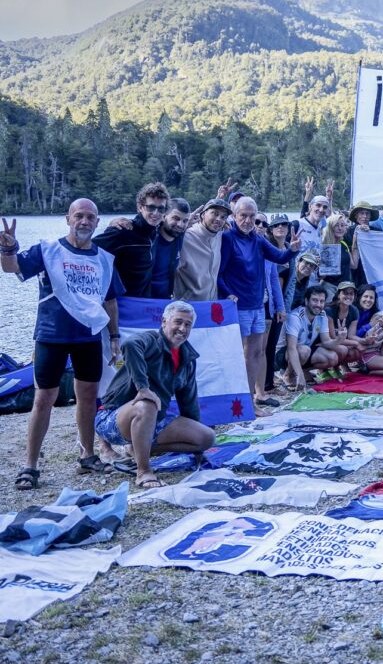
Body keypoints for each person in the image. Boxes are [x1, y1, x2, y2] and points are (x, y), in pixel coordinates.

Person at [1, 203, 124, 489]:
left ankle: (87, 455)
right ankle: (30, 466)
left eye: (90, 217)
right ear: (68, 219)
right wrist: (7, 249)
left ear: (97, 222)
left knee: (88, 397)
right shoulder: (49, 250)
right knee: (43, 398)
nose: (84, 221)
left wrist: (115, 336)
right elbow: (11, 267)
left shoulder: (104, 259)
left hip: (88, 337)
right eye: (78, 216)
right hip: (51, 336)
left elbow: (110, 300)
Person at [95, 302, 216, 489]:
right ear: (164, 321)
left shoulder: (188, 358)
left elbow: (189, 403)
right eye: (178, 322)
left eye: (188, 324)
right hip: (111, 417)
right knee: (147, 403)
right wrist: (143, 388)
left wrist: (198, 448)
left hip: (153, 419)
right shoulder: (151, 339)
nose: (182, 328)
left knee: (207, 437)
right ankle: (143, 471)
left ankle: (136, 448)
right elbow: (129, 344)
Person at [219, 196, 300, 415]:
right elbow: (218, 272)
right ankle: (237, 404)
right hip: (238, 306)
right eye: (243, 216)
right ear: (234, 216)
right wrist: (227, 293)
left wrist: (293, 249)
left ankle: (251, 400)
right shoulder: (227, 238)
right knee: (239, 356)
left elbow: (279, 256)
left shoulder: (257, 239)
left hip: (257, 306)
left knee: (255, 354)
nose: (248, 221)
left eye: (252, 216)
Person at [94, 182, 169, 296]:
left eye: (161, 209)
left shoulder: (156, 231)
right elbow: (87, 248)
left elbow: (175, 225)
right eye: (151, 207)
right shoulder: (123, 231)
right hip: (122, 302)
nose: (156, 213)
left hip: (143, 301)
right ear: (140, 207)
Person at [276, 286, 341, 389]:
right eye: (315, 300)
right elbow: (291, 348)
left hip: (304, 351)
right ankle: (288, 375)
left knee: (332, 357)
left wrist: (340, 339)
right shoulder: (295, 316)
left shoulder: (322, 315)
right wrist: (300, 376)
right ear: (306, 301)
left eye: (321, 301)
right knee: (304, 350)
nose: (318, 304)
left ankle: (303, 372)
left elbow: (326, 341)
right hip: (283, 354)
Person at [174, 198, 231, 301]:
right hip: (186, 306)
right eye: (215, 213)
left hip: (210, 305)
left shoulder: (219, 236)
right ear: (203, 214)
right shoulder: (185, 237)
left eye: (223, 217)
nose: (219, 219)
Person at [263, 213, 293, 394]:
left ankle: (268, 383)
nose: (280, 227)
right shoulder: (267, 248)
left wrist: (283, 306)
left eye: (284, 225)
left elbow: (291, 281)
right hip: (267, 304)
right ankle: (264, 385)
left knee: (272, 345)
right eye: (276, 225)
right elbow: (272, 280)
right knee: (263, 347)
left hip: (280, 304)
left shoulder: (290, 248)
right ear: (271, 229)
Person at [149, 197, 189, 300]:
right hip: (143, 300)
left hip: (165, 300)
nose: (180, 225)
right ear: (163, 216)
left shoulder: (179, 236)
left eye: (185, 221)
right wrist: (117, 221)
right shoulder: (149, 238)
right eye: (176, 218)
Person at [326, 281, 366, 369]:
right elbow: (332, 337)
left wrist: (365, 340)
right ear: (338, 295)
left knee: (356, 351)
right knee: (344, 349)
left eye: (351, 294)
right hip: (326, 342)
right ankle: (326, 369)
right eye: (345, 293)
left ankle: (339, 367)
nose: (348, 296)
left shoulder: (354, 310)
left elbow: (351, 335)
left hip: (340, 341)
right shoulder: (329, 310)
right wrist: (356, 343)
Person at [319, 211, 356, 296]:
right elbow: (322, 276)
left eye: (342, 225)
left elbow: (353, 265)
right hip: (330, 288)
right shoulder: (323, 245)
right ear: (330, 227)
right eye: (336, 225)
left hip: (345, 288)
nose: (340, 228)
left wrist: (356, 241)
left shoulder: (343, 244)